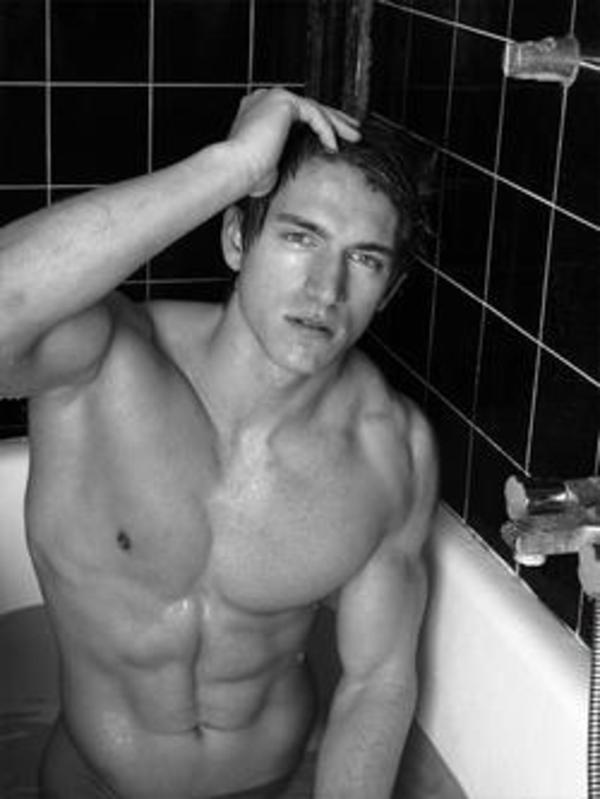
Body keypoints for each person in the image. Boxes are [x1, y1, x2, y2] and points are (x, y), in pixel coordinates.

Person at [0, 89, 438, 799]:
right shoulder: (99, 365)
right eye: (300, 237)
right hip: (90, 783)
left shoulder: (390, 448)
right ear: (237, 239)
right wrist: (231, 166)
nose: (325, 290)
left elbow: (375, 682)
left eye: (364, 258)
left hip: (260, 787)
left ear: (389, 289)